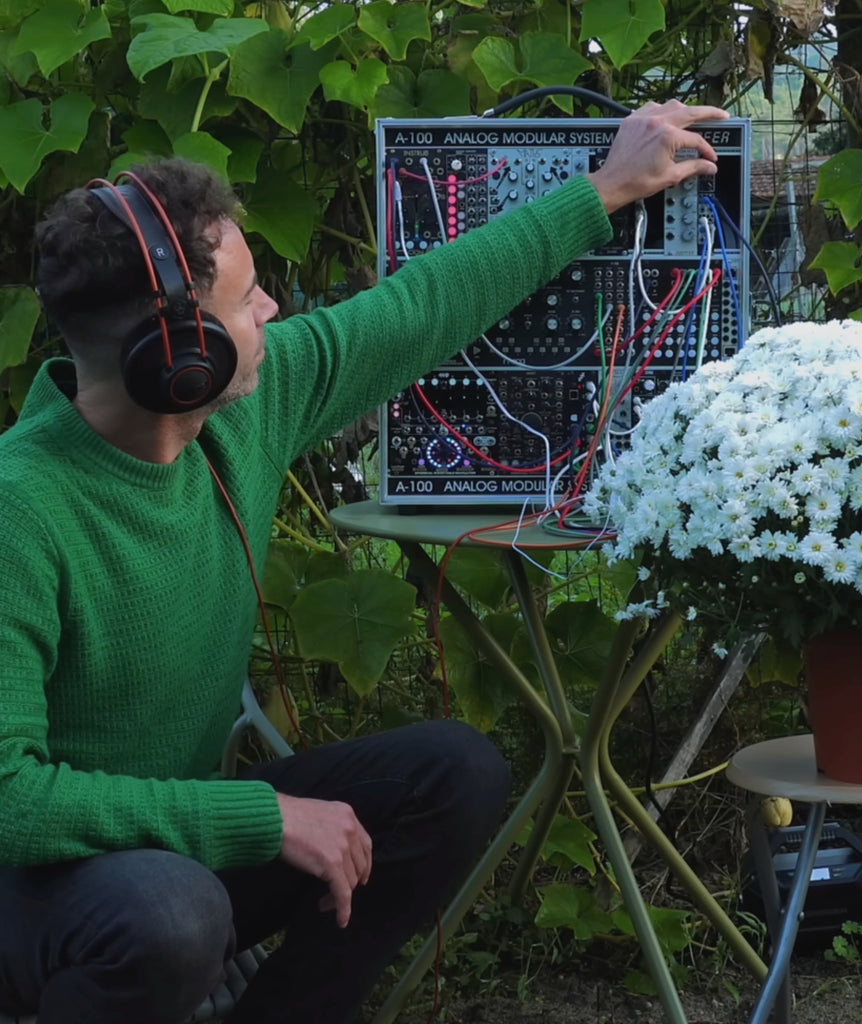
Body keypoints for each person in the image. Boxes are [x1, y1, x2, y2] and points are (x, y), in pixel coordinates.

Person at [0, 100, 728, 1024]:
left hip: (168, 839)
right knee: (171, 916)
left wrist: (610, 188)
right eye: (247, 300)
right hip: (35, 890)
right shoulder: (19, 510)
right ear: (176, 359)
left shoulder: (240, 409)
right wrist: (259, 819)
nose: (271, 309)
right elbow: (11, 802)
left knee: (453, 776)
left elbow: (420, 307)